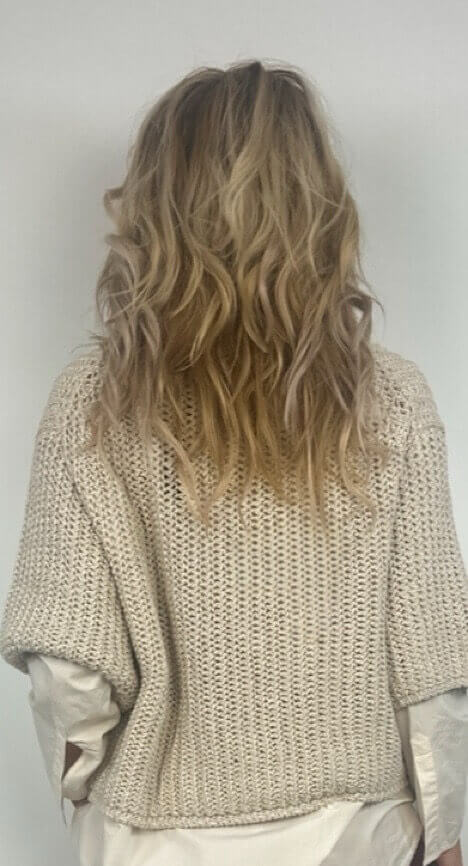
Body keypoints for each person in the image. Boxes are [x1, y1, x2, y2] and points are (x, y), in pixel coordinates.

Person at [1, 59, 467, 866]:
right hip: (359, 834)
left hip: (159, 837)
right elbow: (432, 668)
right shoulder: (391, 398)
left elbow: (67, 670)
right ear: (320, 205)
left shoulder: (95, 402)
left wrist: (87, 796)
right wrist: (448, 835)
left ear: (155, 205)